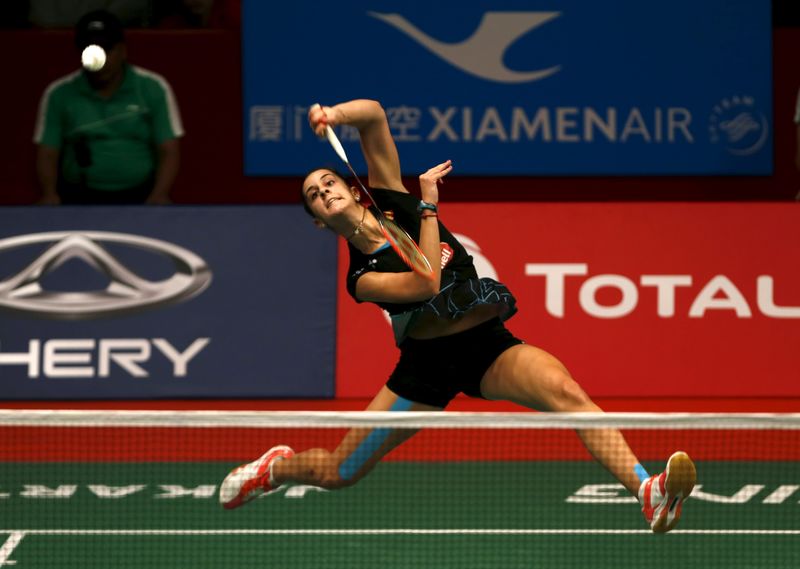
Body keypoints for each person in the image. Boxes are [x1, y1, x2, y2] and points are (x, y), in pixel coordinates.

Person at [218, 99, 697, 533]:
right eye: (314, 196)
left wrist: (334, 117)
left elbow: (375, 116)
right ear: (320, 220)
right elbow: (425, 281)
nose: (324, 192)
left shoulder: (388, 194)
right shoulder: (362, 277)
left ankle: (646, 492)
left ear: (352, 189)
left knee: (566, 392)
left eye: (329, 182)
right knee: (338, 472)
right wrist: (427, 205)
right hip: (426, 368)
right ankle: (275, 469)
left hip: (486, 344)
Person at [33, 9, 183, 205]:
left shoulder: (153, 87)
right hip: (77, 197)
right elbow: (47, 152)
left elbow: (168, 150)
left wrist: (159, 194)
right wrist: (49, 194)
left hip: (140, 196)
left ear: (122, 51)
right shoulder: (58, 93)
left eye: (106, 49)